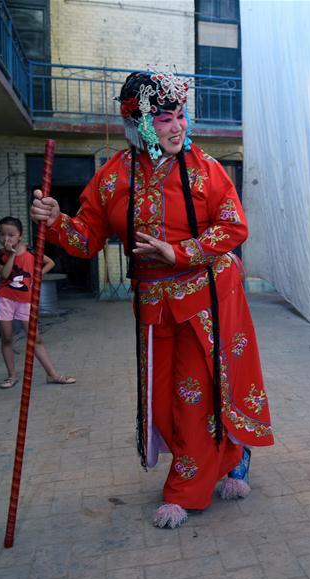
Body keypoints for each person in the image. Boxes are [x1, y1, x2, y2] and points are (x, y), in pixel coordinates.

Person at [30, 71, 273, 529]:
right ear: (139, 123)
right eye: (164, 119)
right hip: (152, 304)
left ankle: (185, 489)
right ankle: (231, 454)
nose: (177, 127)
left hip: (208, 299)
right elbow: (86, 240)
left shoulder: (206, 169)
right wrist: (57, 220)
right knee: (161, 404)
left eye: (180, 116)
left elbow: (234, 226)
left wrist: (180, 252)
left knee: (194, 396)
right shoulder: (112, 177)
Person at [0, 216, 76, 389]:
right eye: (2, 234)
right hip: (6, 299)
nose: (6, 238)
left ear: (20, 235)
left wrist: (36, 277)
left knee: (35, 338)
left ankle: (52, 375)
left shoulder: (30, 251)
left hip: (25, 300)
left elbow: (50, 262)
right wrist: (12, 255)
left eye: (11, 235)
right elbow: (5, 275)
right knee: (7, 338)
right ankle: (11, 376)